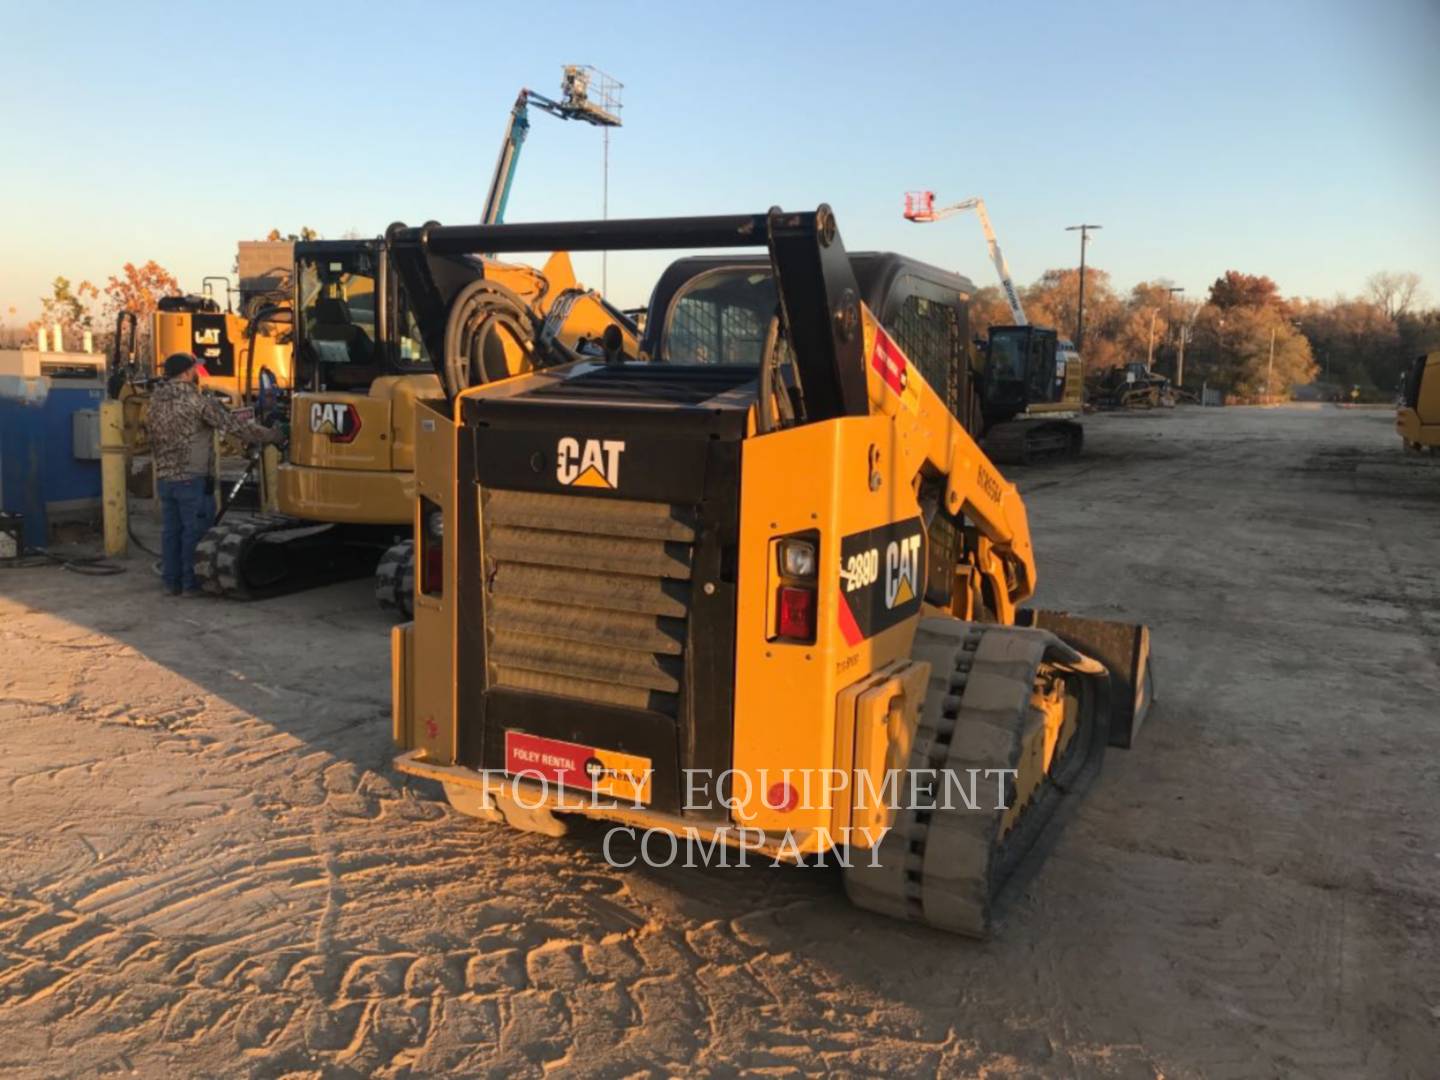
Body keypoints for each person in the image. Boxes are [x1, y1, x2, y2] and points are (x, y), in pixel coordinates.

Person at [147, 353, 281, 596]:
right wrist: (273, 435)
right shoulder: (197, 402)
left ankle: (171, 582)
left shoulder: (155, 402)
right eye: (195, 369)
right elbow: (235, 427)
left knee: (171, 532)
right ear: (187, 373)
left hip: (165, 478)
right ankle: (191, 585)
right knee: (194, 532)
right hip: (192, 477)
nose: (197, 373)